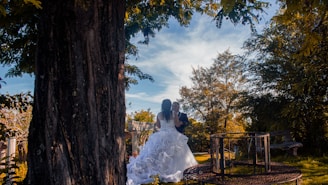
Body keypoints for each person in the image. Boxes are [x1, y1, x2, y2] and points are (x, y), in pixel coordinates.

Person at [126, 99, 198, 185]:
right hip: (173, 134)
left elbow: (158, 126)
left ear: (162, 106)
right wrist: (182, 122)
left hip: (161, 135)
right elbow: (177, 124)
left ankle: (158, 170)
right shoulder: (174, 113)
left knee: (158, 154)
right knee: (174, 154)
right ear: (170, 105)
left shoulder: (159, 114)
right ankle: (175, 170)